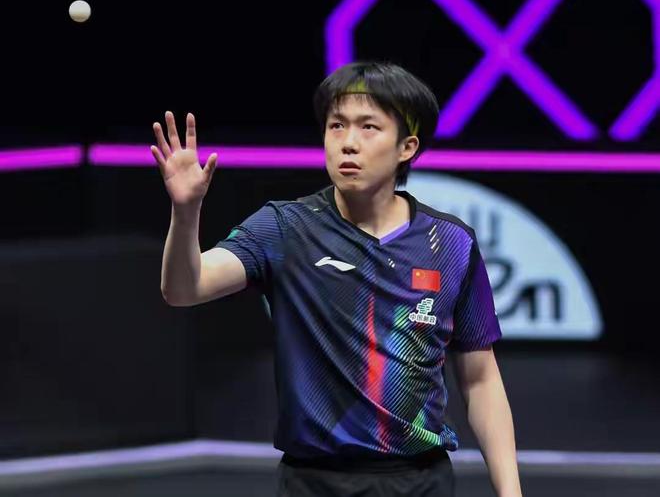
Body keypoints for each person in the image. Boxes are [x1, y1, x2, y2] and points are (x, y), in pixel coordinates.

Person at [152, 61, 523, 497]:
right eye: (336, 126)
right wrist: (186, 212)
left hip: (420, 481)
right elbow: (184, 289)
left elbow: (480, 380)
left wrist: (510, 493)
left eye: (369, 127)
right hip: (314, 482)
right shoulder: (285, 228)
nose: (348, 142)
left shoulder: (451, 243)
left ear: (407, 147)